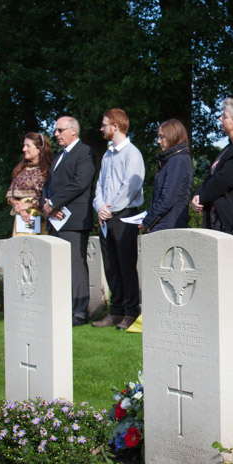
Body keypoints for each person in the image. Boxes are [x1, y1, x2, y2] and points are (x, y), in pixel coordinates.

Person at [191, 97, 233, 340]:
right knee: (223, 277)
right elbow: (212, 177)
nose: (220, 119)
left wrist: (203, 195)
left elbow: (226, 179)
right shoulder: (229, 148)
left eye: (225, 116)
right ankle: (225, 323)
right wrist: (200, 194)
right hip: (220, 222)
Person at [91, 109, 145, 330]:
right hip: (107, 215)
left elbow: (130, 188)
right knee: (111, 266)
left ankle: (131, 312)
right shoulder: (107, 155)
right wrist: (100, 206)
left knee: (126, 265)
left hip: (125, 215)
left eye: (104, 124)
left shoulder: (132, 154)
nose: (101, 128)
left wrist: (110, 209)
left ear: (116, 126)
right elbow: (100, 185)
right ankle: (116, 311)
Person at [41, 116, 97, 327]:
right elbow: (48, 185)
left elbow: (79, 183)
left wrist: (54, 202)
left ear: (73, 130)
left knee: (76, 266)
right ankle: (63, 307)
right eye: (56, 130)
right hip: (55, 221)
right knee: (58, 266)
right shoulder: (58, 157)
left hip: (74, 220)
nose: (56, 134)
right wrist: (45, 204)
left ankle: (80, 312)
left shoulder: (85, 153)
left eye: (59, 130)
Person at [141, 119, 193, 232]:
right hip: (166, 225)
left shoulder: (178, 161)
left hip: (169, 226)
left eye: (162, 137)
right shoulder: (172, 160)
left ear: (173, 136)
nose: (158, 141)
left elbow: (167, 198)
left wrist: (147, 221)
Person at [7, 132, 52, 236]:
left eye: (28, 146)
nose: (24, 149)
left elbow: (49, 196)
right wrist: (19, 207)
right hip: (21, 220)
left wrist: (27, 205)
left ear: (40, 149)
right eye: (24, 146)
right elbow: (10, 196)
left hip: (42, 219)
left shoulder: (49, 171)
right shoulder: (20, 170)